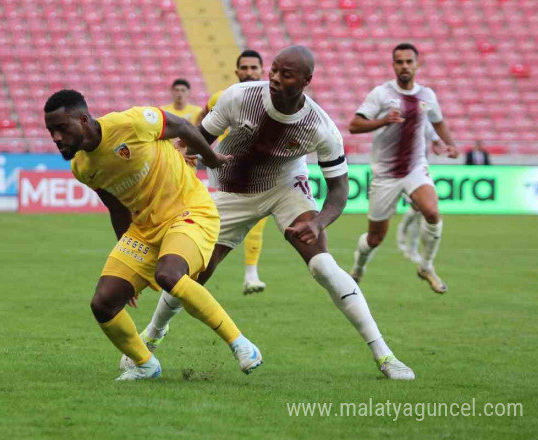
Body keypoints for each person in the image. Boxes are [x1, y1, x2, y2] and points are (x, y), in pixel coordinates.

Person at [131, 46, 415, 380]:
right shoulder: (238, 97)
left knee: (323, 265)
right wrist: (189, 156)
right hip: (231, 193)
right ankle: (151, 336)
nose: (276, 78)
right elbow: (199, 138)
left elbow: (339, 190)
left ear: (307, 81)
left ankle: (384, 355)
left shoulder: (321, 127)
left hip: (285, 188)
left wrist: (320, 221)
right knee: (193, 275)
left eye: (287, 74)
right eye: (275, 70)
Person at [43, 89, 263, 381]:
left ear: (83, 119)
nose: (56, 137)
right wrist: (130, 268)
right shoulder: (82, 168)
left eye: (61, 128)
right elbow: (117, 208)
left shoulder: (132, 123)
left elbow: (183, 126)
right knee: (104, 302)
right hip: (145, 230)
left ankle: (241, 344)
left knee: (169, 274)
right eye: (50, 131)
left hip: (190, 211)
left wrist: (210, 158)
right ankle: (146, 364)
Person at [347, 43, 459, 294]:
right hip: (385, 175)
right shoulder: (381, 94)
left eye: (409, 61)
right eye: (400, 62)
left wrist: (449, 145)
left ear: (417, 64)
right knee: (375, 238)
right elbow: (354, 125)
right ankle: (357, 269)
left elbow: (437, 122)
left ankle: (426, 266)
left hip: (415, 168)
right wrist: (382, 121)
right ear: (393, 65)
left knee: (431, 212)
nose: (405, 66)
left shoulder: (427, 95)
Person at [196, 49, 270, 295]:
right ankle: (191, 271)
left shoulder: (273, 99)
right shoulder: (222, 97)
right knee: (216, 226)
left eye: (253, 68)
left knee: (256, 224)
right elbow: (201, 122)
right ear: (237, 71)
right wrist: (197, 151)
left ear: (262, 70)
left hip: (262, 173)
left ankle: (251, 275)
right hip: (229, 172)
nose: (249, 73)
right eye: (244, 68)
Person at [396, 120, 442, 263]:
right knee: (418, 209)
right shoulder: (401, 122)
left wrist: (438, 144)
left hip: (420, 170)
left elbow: (436, 139)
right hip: (405, 170)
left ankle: (405, 234)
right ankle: (411, 247)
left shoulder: (425, 122)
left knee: (419, 209)